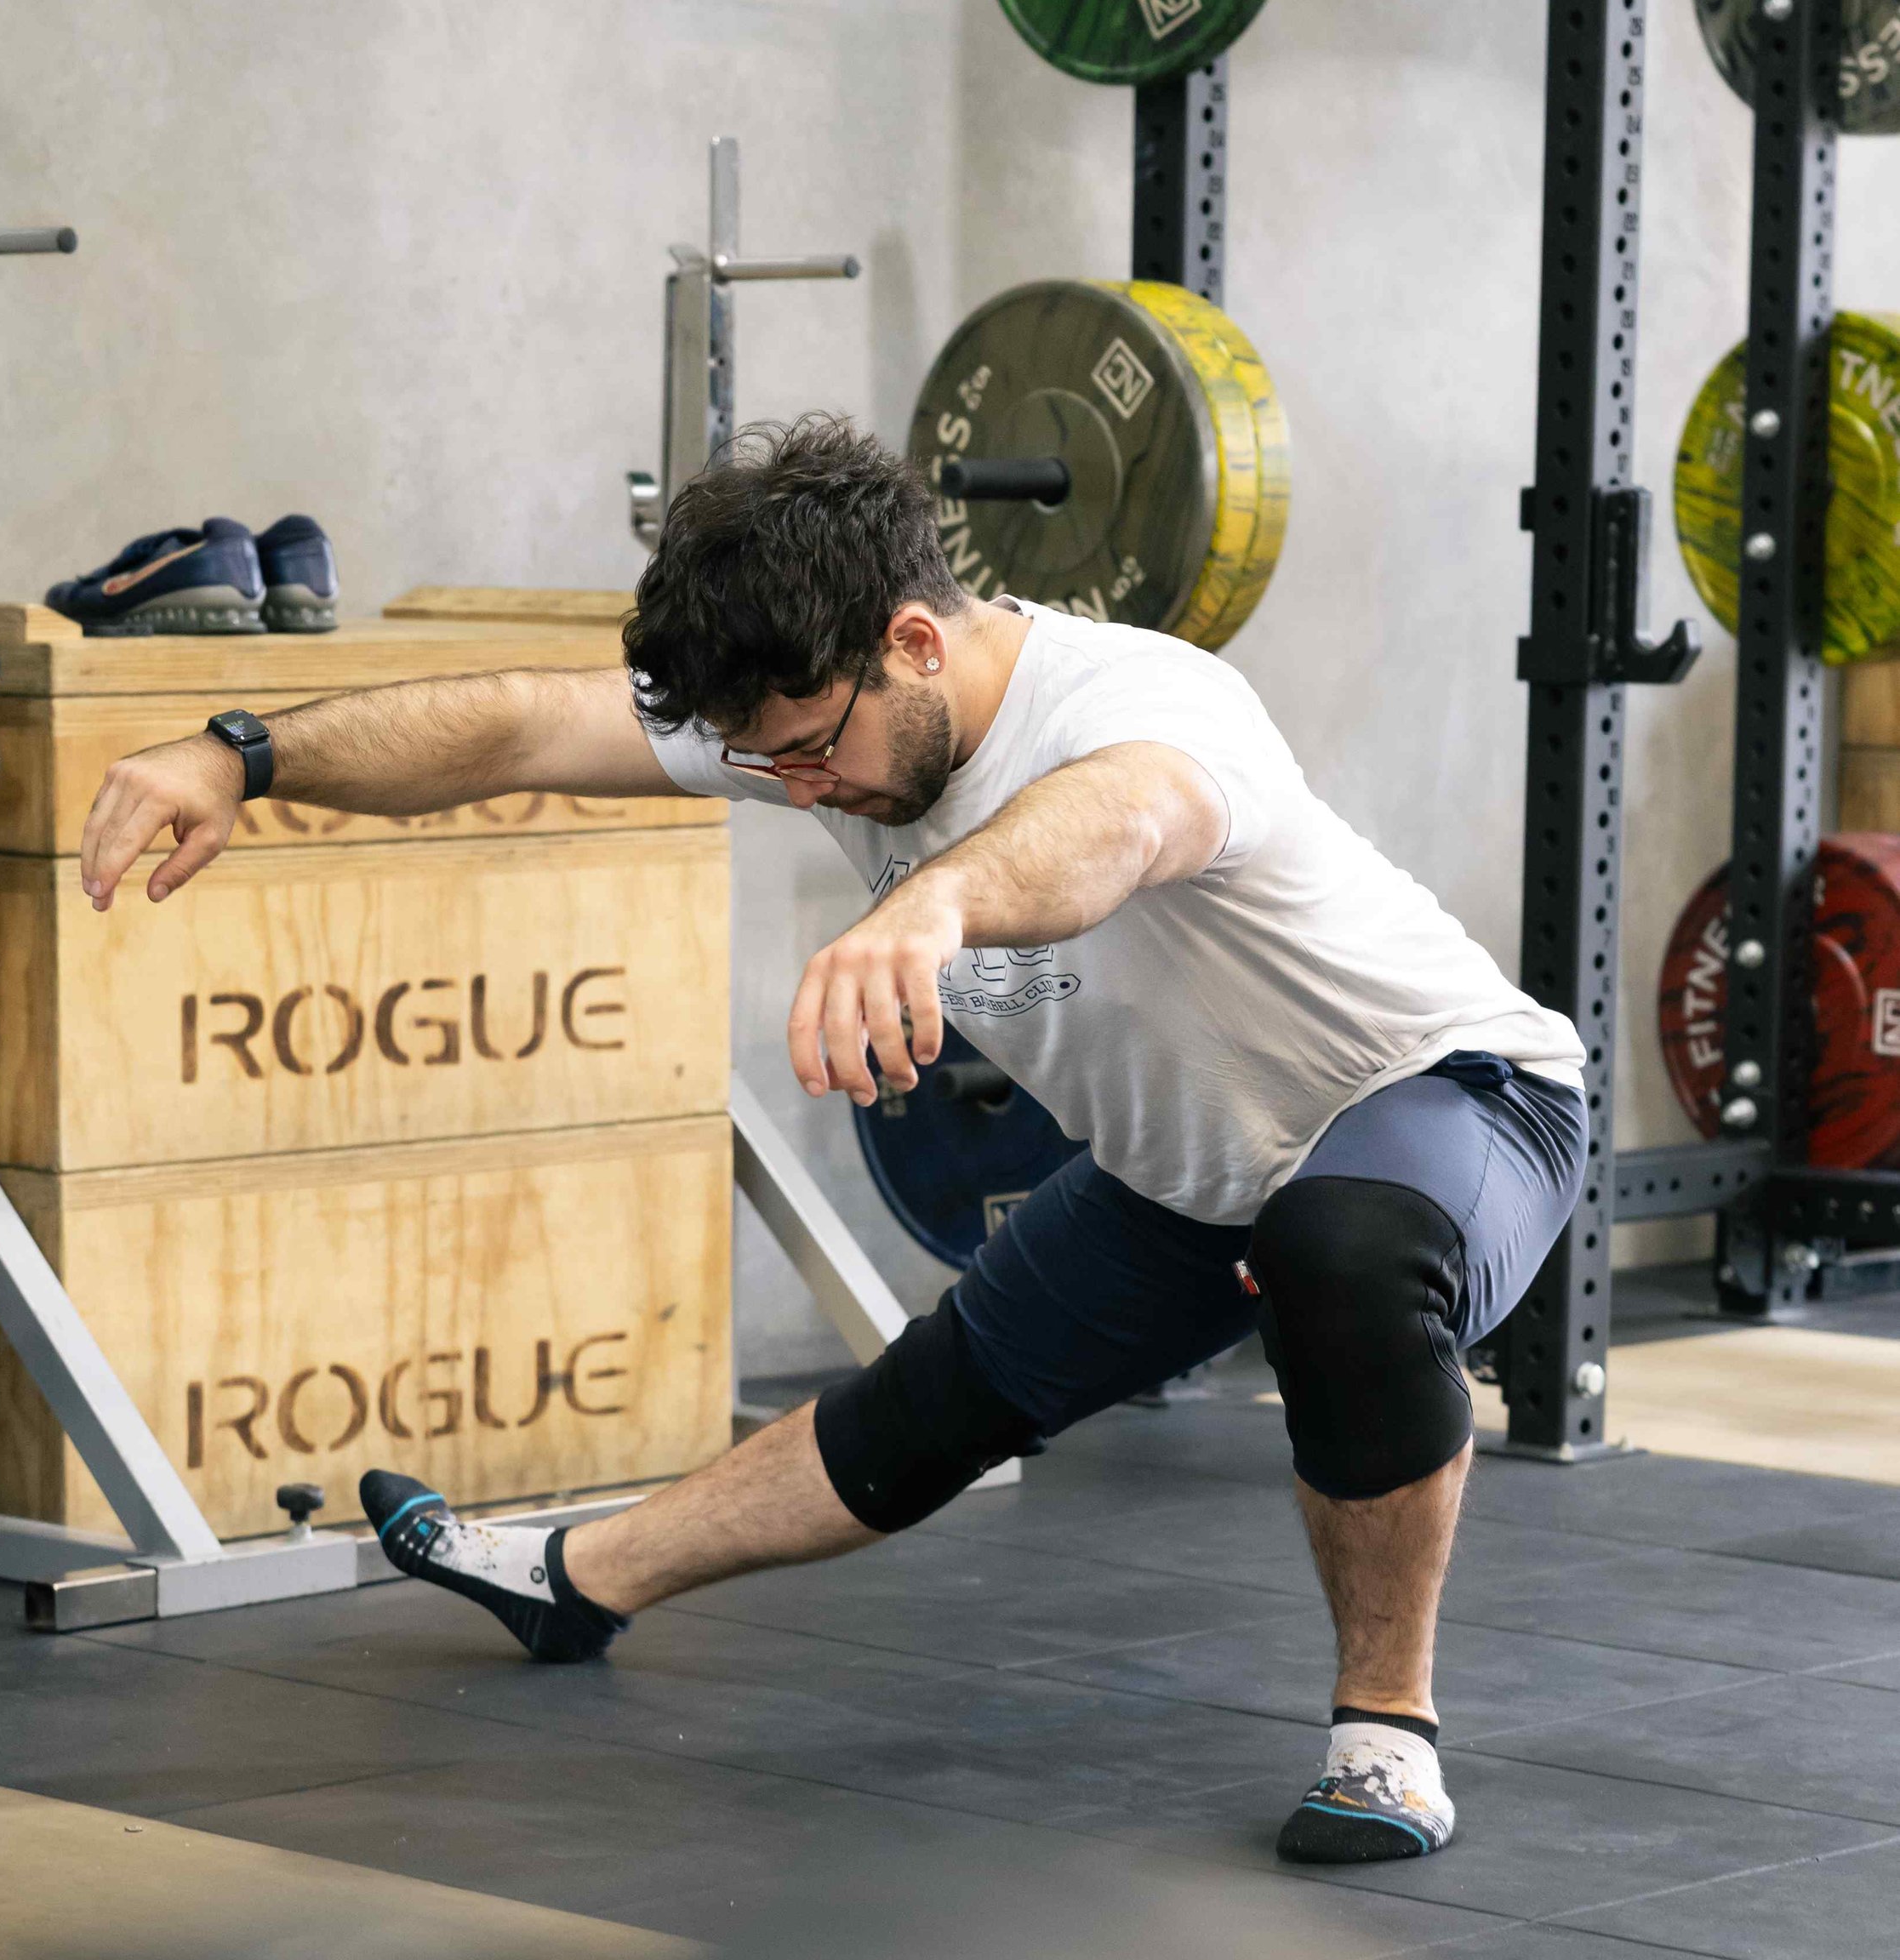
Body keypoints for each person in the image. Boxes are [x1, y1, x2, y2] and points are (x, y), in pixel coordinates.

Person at [79, 417, 1586, 1865]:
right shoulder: (809, 719)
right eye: (768, 765)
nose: (800, 790)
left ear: (915, 644)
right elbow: (519, 721)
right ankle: (569, 1578)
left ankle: (1387, 1730)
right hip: (1187, 1178)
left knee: (1343, 1250)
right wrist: (242, 754)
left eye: (811, 751)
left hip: (1455, 1100)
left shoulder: (1144, 700)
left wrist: (931, 901)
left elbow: (1123, 822)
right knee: (909, 1422)